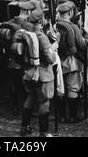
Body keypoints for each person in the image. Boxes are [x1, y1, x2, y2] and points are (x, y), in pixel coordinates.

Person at [19, 9, 57, 137]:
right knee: (44, 102)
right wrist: (53, 49)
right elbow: (50, 59)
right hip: (43, 75)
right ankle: (44, 133)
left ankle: (24, 128)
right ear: (41, 21)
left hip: (28, 72)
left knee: (30, 98)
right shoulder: (42, 37)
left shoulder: (26, 34)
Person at [56, 1, 88, 123]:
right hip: (71, 62)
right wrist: (87, 37)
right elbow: (82, 45)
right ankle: (73, 116)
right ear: (70, 13)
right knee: (73, 88)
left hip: (57, 60)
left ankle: (63, 116)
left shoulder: (54, 25)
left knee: (60, 88)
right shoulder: (74, 27)